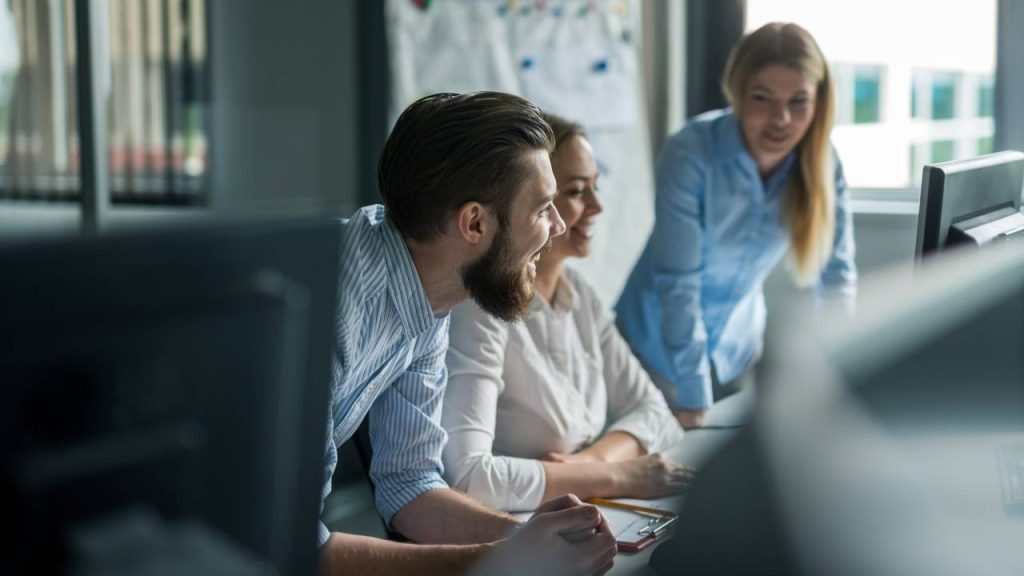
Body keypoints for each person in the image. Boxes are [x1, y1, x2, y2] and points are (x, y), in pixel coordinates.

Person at [319, 92, 617, 576]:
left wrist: (528, 538)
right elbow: (297, 547)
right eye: (543, 208)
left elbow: (410, 484)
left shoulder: (430, 294)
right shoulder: (333, 305)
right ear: (474, 222)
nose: (560, 225)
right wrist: (505, 559)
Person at [442, 113, 692, 513]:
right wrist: (617, 475)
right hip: (513, 527)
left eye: (595, 187)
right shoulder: (480, 308)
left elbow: (654, 411)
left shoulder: (579, 295)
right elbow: (470, 481)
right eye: (576, 191)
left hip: (582, 506)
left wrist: (587, 464)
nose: (596, 206)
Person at [615, 22, 857, 429]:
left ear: (819, 101)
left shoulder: (822, 162)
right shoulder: (691, 151)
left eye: (799, 101)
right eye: (763, 99)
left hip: (736, 351)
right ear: (737, 93)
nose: (781, 119)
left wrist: (845, 375)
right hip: (653, 351)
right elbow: (679, 282)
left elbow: (836, 278)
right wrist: (693, 395)